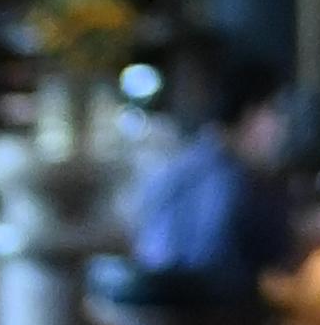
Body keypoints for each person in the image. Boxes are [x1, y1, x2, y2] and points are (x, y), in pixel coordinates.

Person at [126, 31, 296, 288]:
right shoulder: (228, 181)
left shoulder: (182, 164)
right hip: (208, 311)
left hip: (158, 310)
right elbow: (267, 259)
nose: (281, 128)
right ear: (251, 112)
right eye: (276, 111)